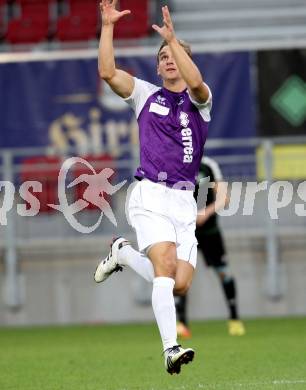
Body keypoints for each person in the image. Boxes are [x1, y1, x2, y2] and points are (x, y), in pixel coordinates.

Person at [94, 0, 212, 375]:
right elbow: (107, 71)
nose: (168, 60)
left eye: (174, 54)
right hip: (149, 194)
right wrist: (108, 26)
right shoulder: (146, 95)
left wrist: (174, 39)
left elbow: (196, 82)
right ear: (158, 66)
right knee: (164, 266)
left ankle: (123, 254)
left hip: (183, 199)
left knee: (179, 283)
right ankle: (170, 348)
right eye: (162, 56)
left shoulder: (200, 102)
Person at [176, 156, 246, 338]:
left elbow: (224, 198)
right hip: (185, 232)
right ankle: (181, 323)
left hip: (210, 232)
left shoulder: (208, 165)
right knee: (180, 276)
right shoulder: (173, 162)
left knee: (224, 272)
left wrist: (205, 213)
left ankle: (234, 319)